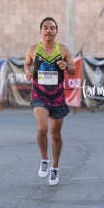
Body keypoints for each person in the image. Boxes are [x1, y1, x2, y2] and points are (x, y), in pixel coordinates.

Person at [24, 17, 76, 186]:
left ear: (56, 32)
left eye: (52, 28)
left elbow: (74, 70)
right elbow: (26, 64)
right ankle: (44, 160)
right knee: (42, 128)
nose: (49, 30)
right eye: (45, 28)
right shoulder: (33, 49)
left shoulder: (63, 50)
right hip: (39, 95)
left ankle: (55, 167)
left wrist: (66, 66)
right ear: (40, 32)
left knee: (55, 135)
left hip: (58, 97)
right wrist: (28, 72)